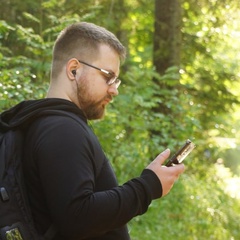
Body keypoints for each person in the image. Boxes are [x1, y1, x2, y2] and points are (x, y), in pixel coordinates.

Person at [1, 22, 185, 239]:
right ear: (73, 70)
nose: (114, 90)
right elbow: (78, 216)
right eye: (108, 77)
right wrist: (148, 187)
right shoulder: (62, 130)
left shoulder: (42, 122)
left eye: (117, 80)